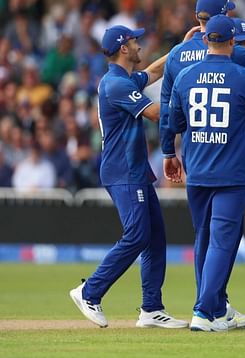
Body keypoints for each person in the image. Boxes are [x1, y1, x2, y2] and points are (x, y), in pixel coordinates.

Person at [158, 0, 245, 329]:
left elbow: (173, 121)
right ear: (231, 40)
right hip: (231, 172)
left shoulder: (183, 70)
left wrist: (170, 152)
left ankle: (214, 308)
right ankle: (204, 310)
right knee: (224, 240)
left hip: (196, 169)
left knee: (205, 239)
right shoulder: (242, 72)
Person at [69, 25, 188, 329]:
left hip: (132, 169)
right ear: (124, 48)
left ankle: (151, 309)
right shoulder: (115, 85)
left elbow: (153, 71)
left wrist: (184, 49)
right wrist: (197, 104)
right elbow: (156, 113)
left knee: (155, 237)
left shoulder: (122, 79)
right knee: (137, 235)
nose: (139, 44)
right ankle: (89, 291)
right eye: (135, 41)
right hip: (123, 171)